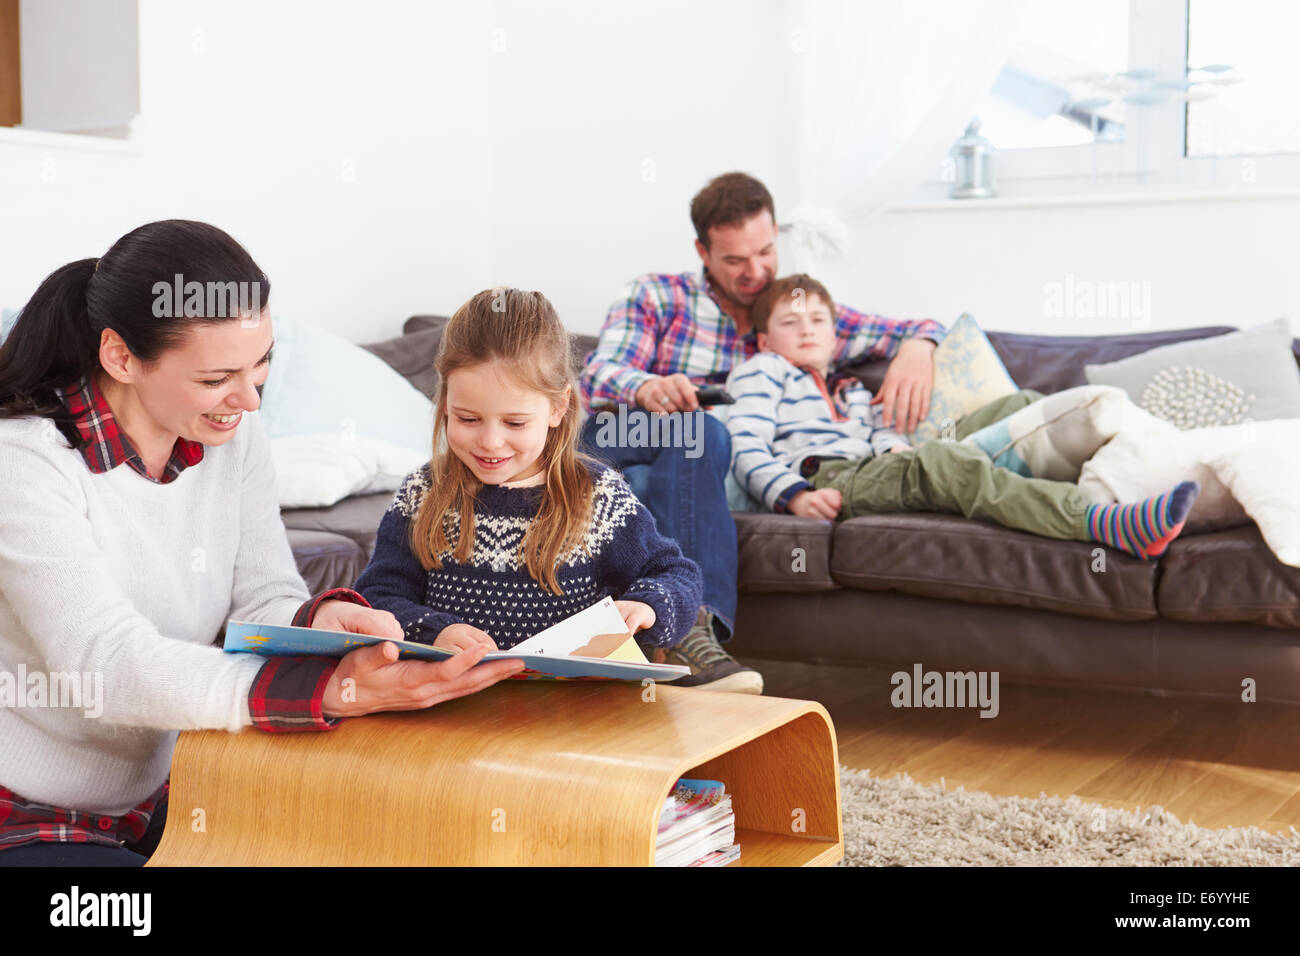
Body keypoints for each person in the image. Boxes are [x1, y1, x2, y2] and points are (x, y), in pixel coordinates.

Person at [0, 221, 525, 866]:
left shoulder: (230, 436)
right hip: (27, 812)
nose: (249, 400)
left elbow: (263, 598)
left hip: (176, 787)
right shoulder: (24, 462)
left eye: (262, 365)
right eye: (218, 376)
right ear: (121, 358)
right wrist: (324, 692)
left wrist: (321, 623)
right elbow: (103, 667)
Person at [578, 171, 947, 693]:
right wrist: (647, 387)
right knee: (696, 431)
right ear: (703, 251)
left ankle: (675, 634)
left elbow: (915, 327)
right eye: (734, 260)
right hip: (618, 433)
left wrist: (919, 346)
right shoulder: (658, 295)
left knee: (687, 451)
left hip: (686, 460)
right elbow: (598, 374)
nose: (755, 271)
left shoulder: (788, 310)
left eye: (766, 252)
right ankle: (688, 631)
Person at [726, 274, 1200, 559]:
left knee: (1023, 404)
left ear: (835, 336)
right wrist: (793, 497)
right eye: (790, 323)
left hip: (878, 466)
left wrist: (894, 446)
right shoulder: (763, 370)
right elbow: (744, 446)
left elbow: (879, 433)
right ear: (766, 340)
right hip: (829, 477)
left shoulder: (848, 388)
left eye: (817, 322)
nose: (806, 331)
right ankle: (1103, 521)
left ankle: (1150, 470)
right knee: (940, 462)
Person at [355, 288, 702, 656]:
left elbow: (676, 575)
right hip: (455, 704)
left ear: (557, 407)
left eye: (515, 423)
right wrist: (433, 631)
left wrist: (646, 606)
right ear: (444, 403)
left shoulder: (596, 496)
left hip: (573, 706)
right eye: (467, 419)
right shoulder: (422, 493)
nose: (490, 442)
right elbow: (379, 596)